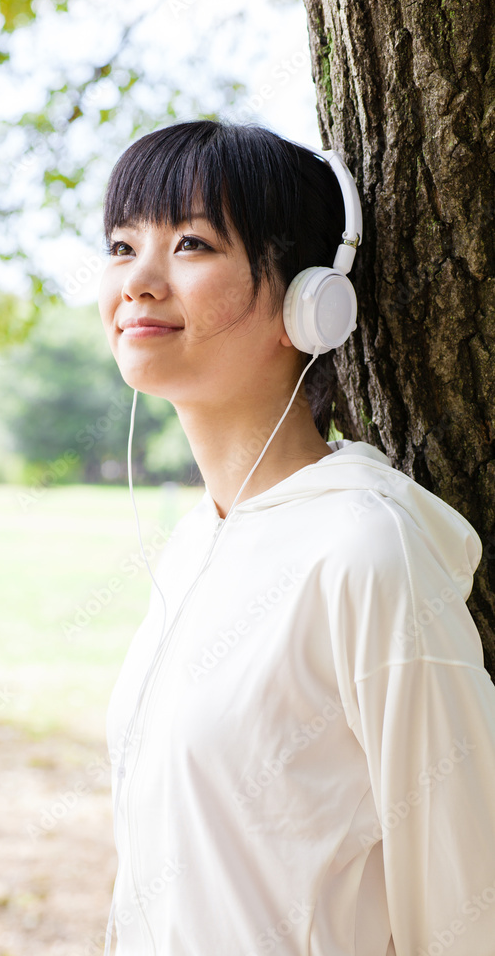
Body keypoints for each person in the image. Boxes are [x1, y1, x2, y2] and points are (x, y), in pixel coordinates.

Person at [96, 119, 495, 956]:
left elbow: (466, 906)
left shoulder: (365, 552)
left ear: (310, 302)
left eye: (192, 244)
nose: (138, 280)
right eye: (121, 245)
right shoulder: (195, 543)